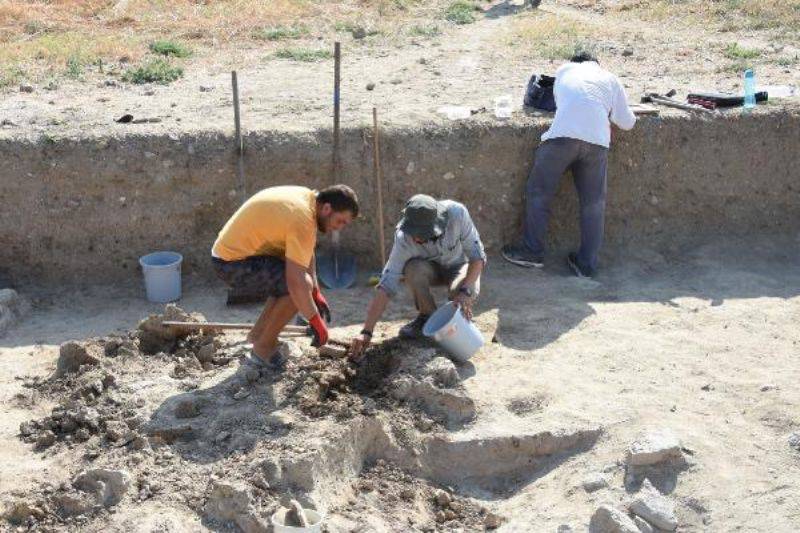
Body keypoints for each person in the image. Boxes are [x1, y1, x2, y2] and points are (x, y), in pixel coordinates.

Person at [502, 51, 636, 277]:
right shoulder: (611, 79)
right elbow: (627, 123)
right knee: (594, 204)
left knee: (539, 193)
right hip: (597, 143)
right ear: (597, 64)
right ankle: (587, 264)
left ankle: (531, 252)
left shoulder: (564, 70)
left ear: (575, 62)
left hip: (562, 138)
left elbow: (565, 103)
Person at [211, 184, 359, 370]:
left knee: (287, 283)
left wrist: (315, 290)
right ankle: (263, 349)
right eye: (340, 221)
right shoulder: (302, 219)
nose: (339, 228)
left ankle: (257, 336)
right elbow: (296, 283)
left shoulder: (307, 200)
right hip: (231, 264)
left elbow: (306, 250)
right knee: (294, 287)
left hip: (230, 256)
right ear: (327, 208)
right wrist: (315, 320)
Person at [349, 194, 486, 361]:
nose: (416, 238)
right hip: (430, 270)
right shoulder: (403, 238)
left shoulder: (457, 214)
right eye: (413, 233)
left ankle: (461, 324)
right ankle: (427, 318)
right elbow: (386, 285)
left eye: (422, 234)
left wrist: (465, 292)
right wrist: (366, 331)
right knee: (412, 269)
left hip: (460, 267)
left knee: (458, 295)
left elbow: (477, 258)